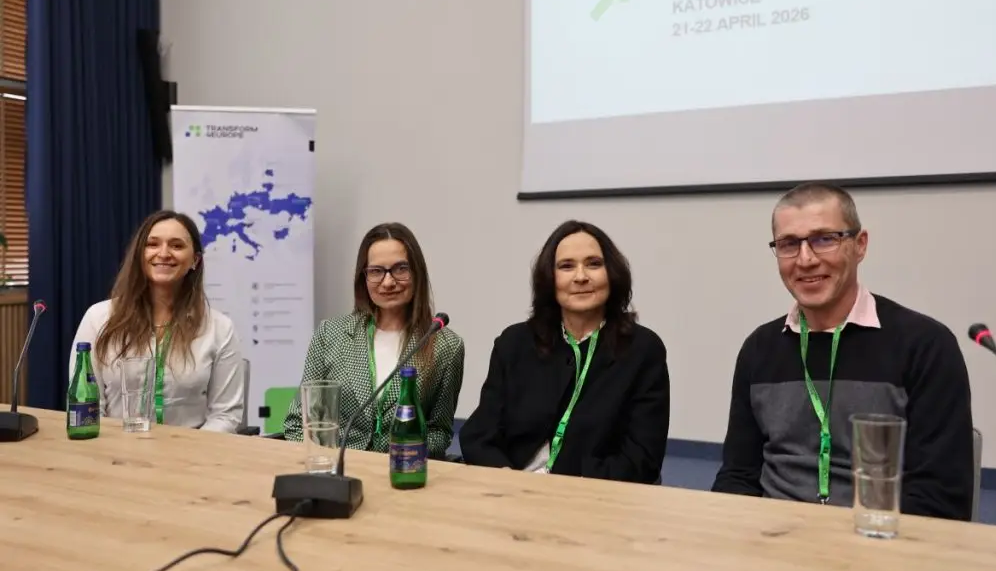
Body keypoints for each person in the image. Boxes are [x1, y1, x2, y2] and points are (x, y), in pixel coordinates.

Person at [711, 182, 974, 519]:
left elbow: (940, 498)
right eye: (789, 244)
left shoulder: (924, 345)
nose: (806, 259)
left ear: (859, 245)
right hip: (772, 543)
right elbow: (739, 475)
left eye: (824, 239)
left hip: (877, 546)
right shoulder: (760, 349)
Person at [459, 220, 670, 483]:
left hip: (594, 497)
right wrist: (507, 481)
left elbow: (642, 458)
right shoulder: (514, 343)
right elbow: (479, 435)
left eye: (593, 264)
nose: (581, 277)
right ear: (550, 279)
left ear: (611, 274)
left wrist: (566, 489)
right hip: (510, 489)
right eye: (566, 266)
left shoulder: (643, 350)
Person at [283, 222, 465, 458]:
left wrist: (399, 453)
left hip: (403, 471)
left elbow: (439, 432)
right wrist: (325, 463)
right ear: (363, 277)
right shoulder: (330, 334)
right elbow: (299, 423)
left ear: (417, 272)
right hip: (336, 469)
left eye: (400, 269)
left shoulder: (446, 347)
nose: (388, 282)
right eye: (376, 271)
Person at [70, 210, 245, 433]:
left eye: (177, 246)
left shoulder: (220, 328)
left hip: (191, 458)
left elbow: (226, 414)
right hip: (115, 452)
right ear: (139, 255)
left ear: (195, 260)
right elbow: (86, 404)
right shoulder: (98, 318)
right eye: (152, 244)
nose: (163, 253)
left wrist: (189, 456)